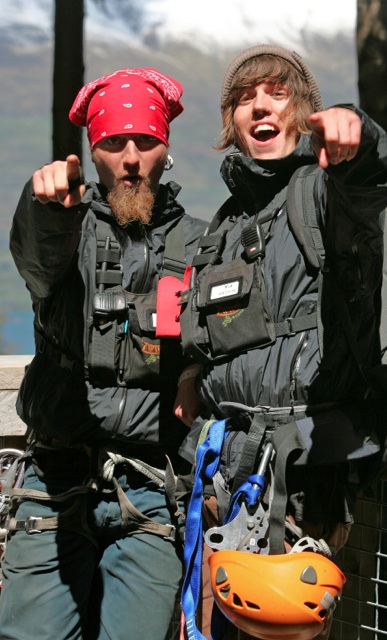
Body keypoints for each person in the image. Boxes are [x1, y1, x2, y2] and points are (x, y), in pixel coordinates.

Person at [173, 45, 387, 640]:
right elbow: (222, 337)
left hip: (308, 483)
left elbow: (374, 190)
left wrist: (359, 147)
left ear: (303, 110)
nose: (259, 105)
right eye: (243, 98)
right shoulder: (225, 228)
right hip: (228, 484)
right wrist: (191, 374)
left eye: (276, 93)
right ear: (231, 125)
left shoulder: (324, 193)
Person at [0, 67, 207, 640]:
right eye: (115, 142)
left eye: (146, 140)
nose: (132, 157)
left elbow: (241, 339)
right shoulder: (64, 225)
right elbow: (37, 260)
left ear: (166, 148)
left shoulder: (201, 244)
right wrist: (46, 209)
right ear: (95, 152)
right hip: (53, 482)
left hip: (151, 488)